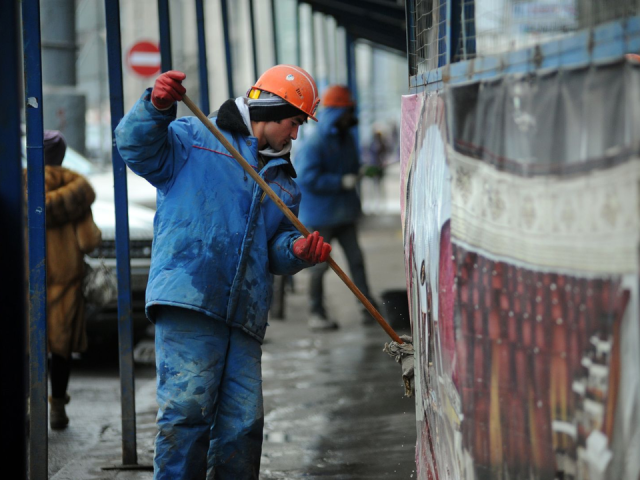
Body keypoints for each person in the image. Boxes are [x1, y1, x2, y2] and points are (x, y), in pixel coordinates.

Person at [114, 65, 332, 480]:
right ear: (271, 109)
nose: (295, 134)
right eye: (294, 122)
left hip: (244, 317)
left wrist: (299, 251)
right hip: (189, 301)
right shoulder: (195, 139)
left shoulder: (285, 184)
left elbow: (276, 252)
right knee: (187, 416)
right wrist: (156, 106)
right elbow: (134, 147)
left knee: (244, 425)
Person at [295, 85, 378, 331]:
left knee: (356, 261)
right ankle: (316, 312)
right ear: (334, 114)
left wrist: (359, 172)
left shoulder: (346, 139)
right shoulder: (315, 143)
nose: (347, 118)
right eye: (343, 113)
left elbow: (352, 165)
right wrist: (339, 181)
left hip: (344, 213)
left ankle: (368, 308)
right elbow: (305, 177)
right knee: (319, 267)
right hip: (321, 216)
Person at [37, 130, 102, 429]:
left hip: (27, 283)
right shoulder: (75, 192)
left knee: (29, 345)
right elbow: (89, 241)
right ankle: (58, 407)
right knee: (60, 348)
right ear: (61, 155)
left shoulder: (21, 185)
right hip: (66, 284)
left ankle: (28, 406)